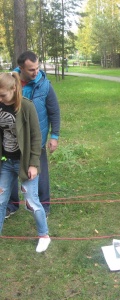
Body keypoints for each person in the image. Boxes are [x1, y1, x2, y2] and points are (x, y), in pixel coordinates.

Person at [6, 51, 60, 218]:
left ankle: (44, 205)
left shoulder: (45, 85)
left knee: (39, 171)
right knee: (9, 171)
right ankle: (11, 206)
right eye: (31, 70)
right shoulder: (10, 82)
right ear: (21, 68)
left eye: (37, 68)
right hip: (13, 138)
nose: (36, 72)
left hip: (37, 138)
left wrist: (54, 136)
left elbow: (54, 111)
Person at [0, 72, 51, 252]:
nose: (0, 98)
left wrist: (33, 164)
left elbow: (37, 137)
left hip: (25, 163)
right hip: (6, 162)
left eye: (3, 95)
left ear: (14, 89)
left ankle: (44, 235)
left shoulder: (27, 107)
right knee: (0, 199)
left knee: (31, 201)